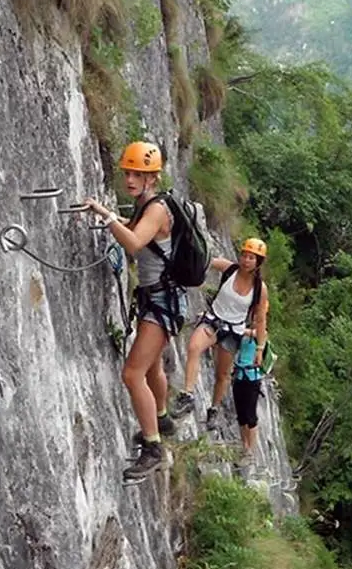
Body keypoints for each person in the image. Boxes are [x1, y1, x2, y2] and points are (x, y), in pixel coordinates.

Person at [83, 141, 186, 485]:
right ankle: (162, 418)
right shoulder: (148, 204)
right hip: (158, 299)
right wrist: (113, 221)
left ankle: (154, 449)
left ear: (152, 178)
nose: (129, 179)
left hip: (162, 303)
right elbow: (134, 230)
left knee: (132, 374)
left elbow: (134, 243)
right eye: (127, 172)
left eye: (137, 174)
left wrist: (105, 214)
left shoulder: (156, 209)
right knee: (153, 365)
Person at [171, 239, 269, 429]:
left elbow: (260, 319)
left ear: (258, 263)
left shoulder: (260, 288)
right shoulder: (229, 269)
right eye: (244, 256)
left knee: (222, 375)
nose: (246, 260)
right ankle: (188, 394)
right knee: (193, 347)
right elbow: (207, 261)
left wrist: (260, 347)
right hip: (214, 320)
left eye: (251, 258)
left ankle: (214, 409)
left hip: (233, 331)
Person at [232, 323, 267, 468]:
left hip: (252, 378)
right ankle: (244, 447)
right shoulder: (244, 332)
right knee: (241, 416)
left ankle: (250, 452)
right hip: (239, 376)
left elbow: (260, 334)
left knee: (250, 416)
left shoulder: (260, 334)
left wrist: (239, 330)